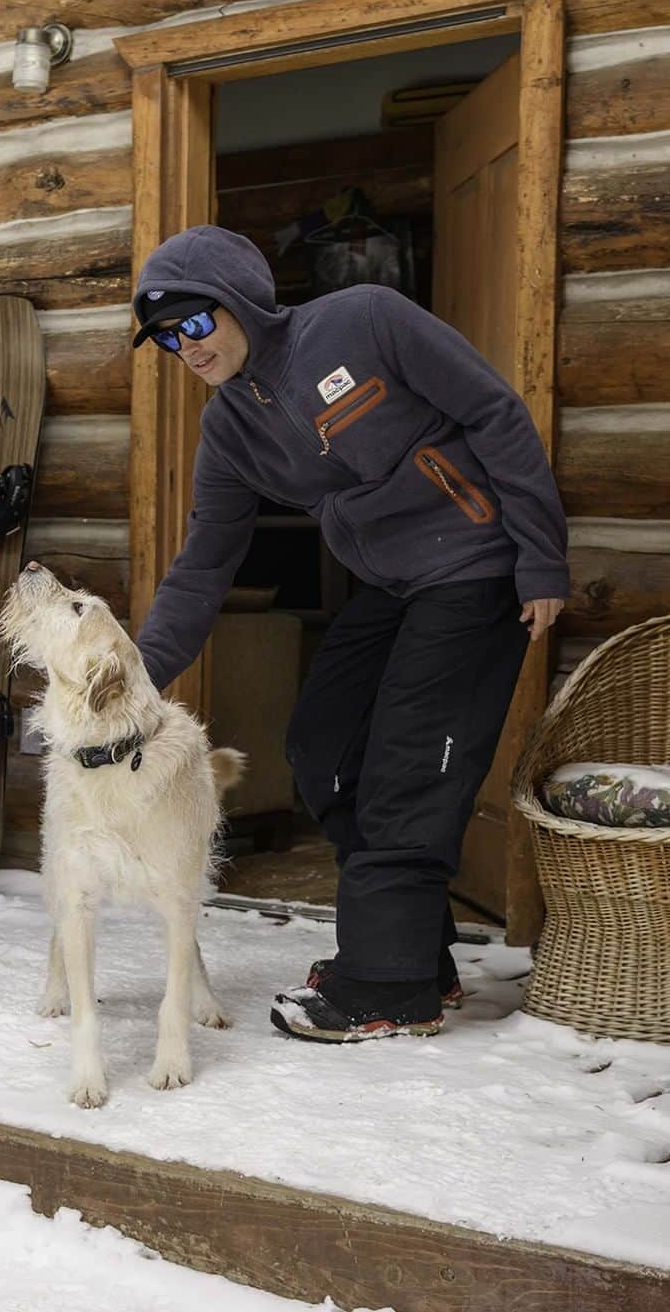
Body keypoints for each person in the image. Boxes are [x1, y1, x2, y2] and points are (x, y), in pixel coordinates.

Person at [131, 225, 568, 1044]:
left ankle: (387, 986)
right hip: (394, 582)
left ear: (240, 300)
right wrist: (139, 676)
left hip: (475, 565)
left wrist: (542, 557)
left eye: (193, 322)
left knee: (407, 764)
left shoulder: (362, 321)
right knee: (323, 748)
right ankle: (416, 953)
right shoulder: (229, 429)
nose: (183, 348)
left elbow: (494, 410)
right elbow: (205, 561)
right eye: (165, 337)